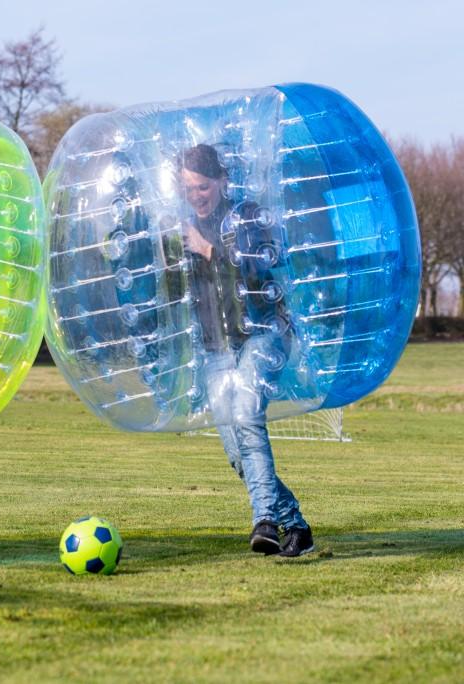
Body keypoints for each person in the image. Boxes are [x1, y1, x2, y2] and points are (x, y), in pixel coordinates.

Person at [177, 143, 314, 557]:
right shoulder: (180, 227)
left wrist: (209, 250)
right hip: (216, 345)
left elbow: (259, 269)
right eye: (188, 188)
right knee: (236, 451)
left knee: (247, 418)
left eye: (203, 186)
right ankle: (296, 526)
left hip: (263, 332)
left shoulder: (249, 216)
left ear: (221, 181)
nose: (196, 195)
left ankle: (265, 522)